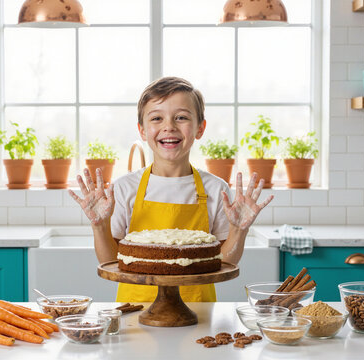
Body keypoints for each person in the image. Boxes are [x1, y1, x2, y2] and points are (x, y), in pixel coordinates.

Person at [69, 76, 273, 302]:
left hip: (199, 314)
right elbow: (111, 262)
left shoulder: (216, 190)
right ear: (142, 130)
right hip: (135, 313)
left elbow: (225, 263)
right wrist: (99, 225)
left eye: (182, 117)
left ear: (200, 128)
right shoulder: (125, 189)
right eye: (156, 118)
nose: (169, 127)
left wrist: (239, 229)